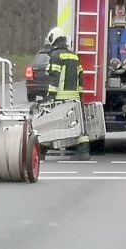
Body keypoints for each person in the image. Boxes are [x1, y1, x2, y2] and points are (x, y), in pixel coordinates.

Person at [44, 27, 91, 160]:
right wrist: (80, 96)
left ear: (54, 39)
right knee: (78, 124)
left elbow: (54, 78)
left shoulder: (55, 56)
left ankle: (43, 149)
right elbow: (80, 78)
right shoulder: (74, 56)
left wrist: (51, 96)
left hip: (61, 96)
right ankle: (84, 152)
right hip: (75, 97)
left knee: (52, 123)